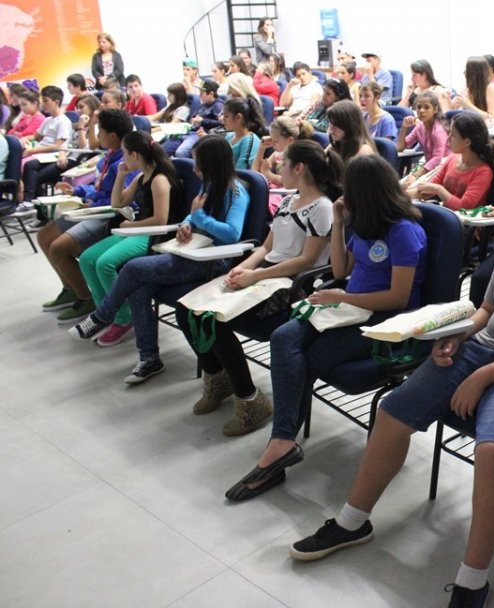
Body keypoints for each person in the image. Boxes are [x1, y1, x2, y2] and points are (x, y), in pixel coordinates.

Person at [284, 165, 494, 608]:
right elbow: (489, 308)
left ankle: (473, 581)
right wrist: (458, 335)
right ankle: (353, 520)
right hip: (485, 348)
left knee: (492, 452)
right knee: (393, 411)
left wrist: (481, 375)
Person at [225, 154, 428, 500]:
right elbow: (341, 267)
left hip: (383, 320)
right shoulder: (364, 223)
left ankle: (280, 443)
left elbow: (398, 297)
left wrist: (344, 298)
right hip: (349, 307)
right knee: (283, 336)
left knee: (310, 355)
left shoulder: (403, 231)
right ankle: (283, 441)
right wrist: (339, 221)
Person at [177, 140, 342, 436]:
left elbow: (305, 261)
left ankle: (250, 400)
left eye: (283, 162)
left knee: (217, 318)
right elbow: (266, 246)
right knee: (186, 309)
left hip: (291, 284)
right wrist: (245, 267)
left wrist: (256, 277)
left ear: (299, 168)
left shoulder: (322, 208)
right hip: (266, 275)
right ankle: (218, 377)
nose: (278, 166)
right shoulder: (291, 200)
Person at [69, 135, 251, 385]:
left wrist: (199, 219)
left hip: (212, 261)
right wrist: (186, 226)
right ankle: (149, 358)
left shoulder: (237, 192)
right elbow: (191, 216)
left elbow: (232, 234)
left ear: (214, 165)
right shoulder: (208, 185)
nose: (195, 169)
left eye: (200, 165)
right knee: (139, 290)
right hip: (191, 251)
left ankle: (102, 316)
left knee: (133, 268)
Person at [77, 130, 186, 346]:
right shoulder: (140, 176)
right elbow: (118, 203)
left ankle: (124, 318)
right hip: (136, 231)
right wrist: (120, 175)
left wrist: (132, 225)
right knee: (88, 258)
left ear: (135, 154)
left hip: (155, 235)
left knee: (105, 264)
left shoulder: (159, 179)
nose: (123, 157)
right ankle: (105, 314)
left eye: (125, 153)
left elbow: (161, 219)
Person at [37, 109, 134, 323]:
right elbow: (99, 190)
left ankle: (85, 297)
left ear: (113, 137)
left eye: (100, 131)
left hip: (107, 215)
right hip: (92, 207)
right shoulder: (107, 157)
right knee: (44, 236)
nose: (97, 136)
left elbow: (123, 201)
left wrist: (91, 198)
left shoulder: (126, 161)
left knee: (59, 248)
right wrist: (78, 192)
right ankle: (69, 288)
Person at [405, 112, 494, 210]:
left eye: (453, 135)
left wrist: (439, 190)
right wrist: (399, 196)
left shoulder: (483, 171)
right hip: (446, 215)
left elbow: (464, 207)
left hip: (464, 223)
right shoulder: (452, 159)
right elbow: (427, 190)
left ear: (467, 142)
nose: (448, 139)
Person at [17, 86, 73, 207]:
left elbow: (58, 145)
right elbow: (36, 136)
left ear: (56, 102)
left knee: (29, 166)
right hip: (40, 153)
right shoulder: (48, 120)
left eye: (46, 101)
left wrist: (33, 150)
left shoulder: (63, 121)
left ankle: (28, 201)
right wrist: (25, 138)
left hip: (51, 155)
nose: (43, 104)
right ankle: (29, 201)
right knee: (20, 163)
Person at [253, 115, 315, 213]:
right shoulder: (278, 153)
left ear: (290, 140)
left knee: (258, 204)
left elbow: (286, 181)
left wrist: (268, 174)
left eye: (276, 141)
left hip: (287, 193)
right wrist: (261, 148)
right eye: (271, 139)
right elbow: (255, 172)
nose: (272, 144)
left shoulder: (298, 156)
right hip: (274, 190)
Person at [396, 91, 450, 180]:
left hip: (443, 169)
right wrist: (404, 127)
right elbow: (400, 147)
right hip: (429, 168)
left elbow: (437, 158)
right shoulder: (420, 127)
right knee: (401, 185)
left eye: (426, 107)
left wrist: (415, 175)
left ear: (435, 109)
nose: (421, 111)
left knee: (409, 187)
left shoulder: (438, 130)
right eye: (419, 107)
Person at [172, 80, 224, 157]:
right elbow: (192, 117)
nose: (199, 95)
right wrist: (194, 120)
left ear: (211, 94)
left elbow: (221, 123)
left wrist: (202, 121)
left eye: (202, 93)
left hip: (201, 133)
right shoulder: (202, 105)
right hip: (190, 131)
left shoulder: (219, 106)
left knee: (181, 152)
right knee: (164, 149)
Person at [221, 97, 265, 170]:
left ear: (238, 117)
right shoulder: (229, 136)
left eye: (226, 116)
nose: (223, 119)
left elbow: (243, 173)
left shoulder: (250, 140)